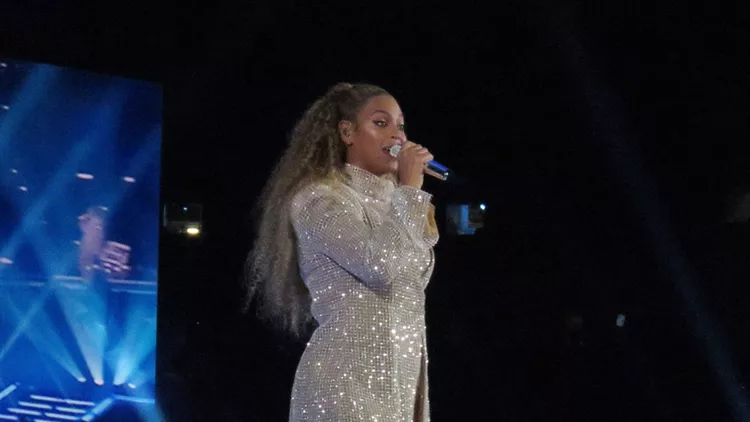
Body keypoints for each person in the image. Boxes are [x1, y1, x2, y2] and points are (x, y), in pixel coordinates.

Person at [246, 82, 439, 421]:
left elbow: (411, 284)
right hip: (345, 389)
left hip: (402, 387)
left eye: (401, 125)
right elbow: (379, 265)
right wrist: (409, 192)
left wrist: (406, 201)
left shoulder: (396, 205)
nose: (398, 136)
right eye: (381, 123)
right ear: (347, 132)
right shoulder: (320, 199)